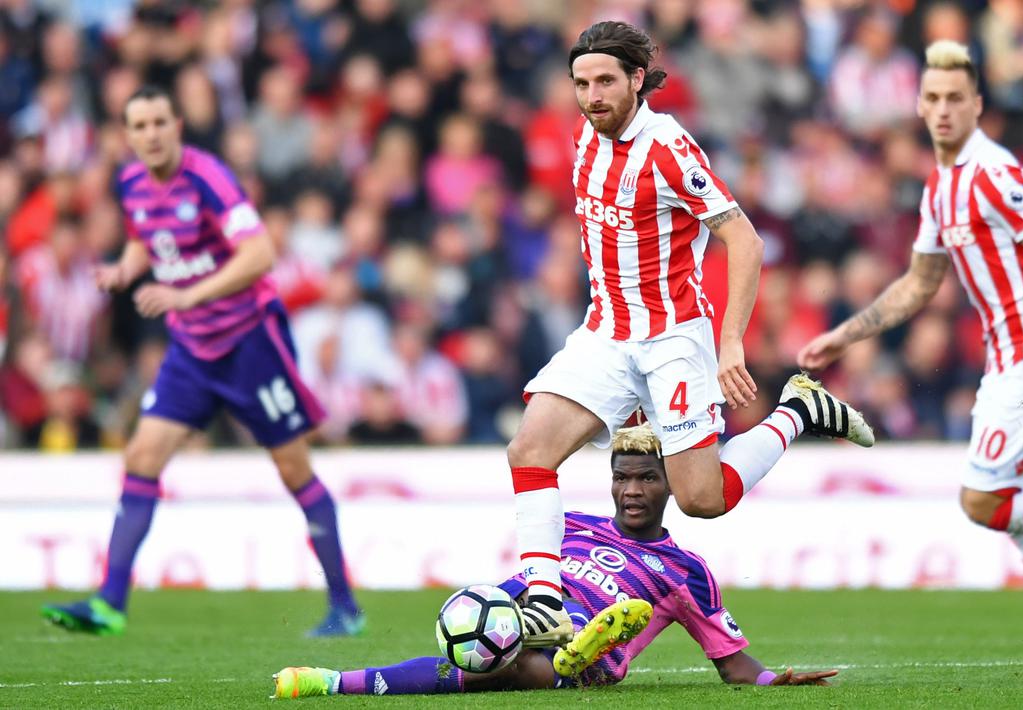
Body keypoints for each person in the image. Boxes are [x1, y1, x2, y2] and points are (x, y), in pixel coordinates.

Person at [507, 20, 875, 649]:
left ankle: (798, 411)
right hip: (606, 331)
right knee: (528, 453)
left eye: (605, 82)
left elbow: (745, 241)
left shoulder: (668, 148)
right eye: (581, 83)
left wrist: (730, 343)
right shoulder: (584, 137)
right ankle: (545, 601)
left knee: (702, 499)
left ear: (638, 80)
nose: (592, 95)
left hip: (672, 338)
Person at [796, 41, 1023, 653]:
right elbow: (920, 283)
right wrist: (846, 333)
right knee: (1016, 507)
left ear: (977, 105)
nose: (943, 110)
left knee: (986, 500)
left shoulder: (995, 173)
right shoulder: (940, 187)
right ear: (918, 105)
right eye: (933, 98)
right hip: (1008, 360)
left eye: (955, 99)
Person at [40, 86, 364, 637]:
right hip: (191, 350)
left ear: (178, 124)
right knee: (141, 455)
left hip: (249, 344)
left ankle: (345, 607)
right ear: (128, 135)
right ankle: (109, 602)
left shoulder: (207, 177)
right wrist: (124, 268)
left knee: (292, 468)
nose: (151, 134)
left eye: (159, 122)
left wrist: (189, 295)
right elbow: (150, 239)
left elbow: (259, 254)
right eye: (139, 126)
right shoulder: (131, 183)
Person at [271, 425, 840, 698]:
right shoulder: (571, 527)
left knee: (510, 666)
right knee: (496, 641)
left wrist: (773, 679)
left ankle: (333, 683)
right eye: (622, 478)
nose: (633, 490)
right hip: (536, 623)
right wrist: (488, 604)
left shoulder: (685, 570)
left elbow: (732, 662)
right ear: (610, 483)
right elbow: (522, 581)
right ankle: (555, 650)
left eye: (647, 479)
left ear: (671, 487)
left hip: (591, 659)